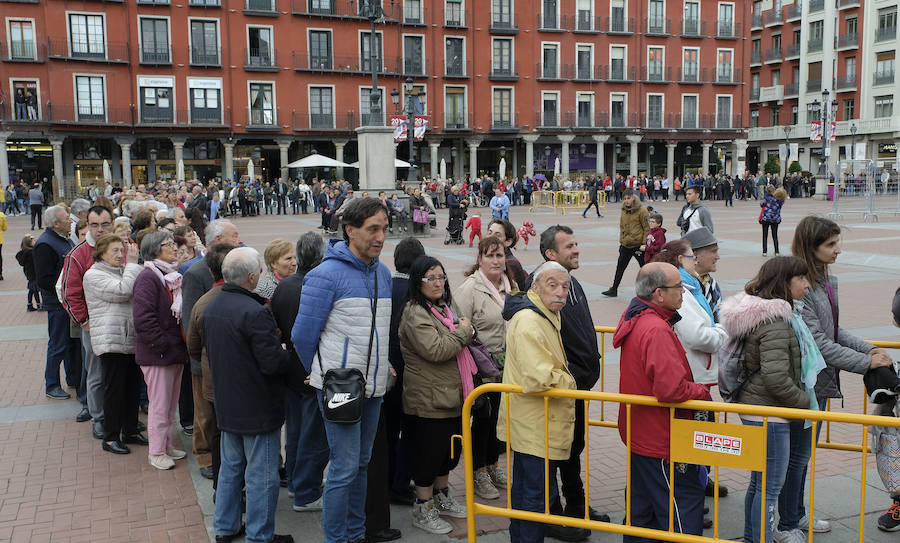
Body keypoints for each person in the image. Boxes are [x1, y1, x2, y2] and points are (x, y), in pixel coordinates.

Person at [780, 217, 894, 538]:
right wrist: (867, 363)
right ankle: (787, 522)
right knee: (795, 459)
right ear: (810, 247)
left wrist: (870, 350)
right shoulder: (799, 287)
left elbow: (835, 330)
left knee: (802, 457)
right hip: (804, 385)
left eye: (836, 242)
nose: (837, 250)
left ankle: (796, 514)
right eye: (830, 244)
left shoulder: (825, 282)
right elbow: (821, 345)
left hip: (820, 384)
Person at [291, 198, 393, 543]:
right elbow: (302, 336)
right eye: (372, 229)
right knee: (345, 467)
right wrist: (319, 372)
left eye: (383, 228)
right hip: (339, 387)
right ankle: (336, 538)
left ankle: (355, 532)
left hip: (374, 386)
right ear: (350, 230)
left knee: (361, 464)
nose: (380, 237)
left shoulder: (382, 272)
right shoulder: (324, 275)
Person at [719, 257, 821, 543]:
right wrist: (804, 401)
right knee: (769, 488)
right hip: (769, 413)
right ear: (783, 283)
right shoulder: (775, 320)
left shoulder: (767, 313)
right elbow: (776, 378)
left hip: (760, 408)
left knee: (760, 484)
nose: (807, 285)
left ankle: (754, 538)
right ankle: (759, 538)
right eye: (801, 279)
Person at [203, 247, 295, 543]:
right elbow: (271, 363)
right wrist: (285, 354)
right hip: (256, 407)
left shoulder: (213, 306)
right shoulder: (253, 311)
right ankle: (259, 534)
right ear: (252, 276)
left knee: (231, 470)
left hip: (228, 403)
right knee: (261, 476)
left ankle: (226, 527)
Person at [614, 262, 712, 541]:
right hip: (662, 437)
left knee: (641, 513)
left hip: (642, 431)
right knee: (679, 508)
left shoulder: (637, 317)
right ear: (658, 294)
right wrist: (701, 392)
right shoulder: (656, 329)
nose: (683, 292)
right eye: (678, 287)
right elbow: (671, 390)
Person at [498, 261, 579, 543]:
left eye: (565, 286)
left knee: (526, 491)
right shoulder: (530, 320)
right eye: (552, 285)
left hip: (533, 423)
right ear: (535, 287)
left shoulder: (542, 314)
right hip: (534, 424)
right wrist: (571, 382)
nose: (560, 292)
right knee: (535, 495)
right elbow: (539, 376)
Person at [398, 256, 473, 534]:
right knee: (428, 457)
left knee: (447, 454)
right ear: (418, 282)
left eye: (441, 276)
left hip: (451, 396)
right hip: (428, 399)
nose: (437, 283)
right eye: (430, 278)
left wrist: (462, 330)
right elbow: (437, 350)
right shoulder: (415, 312)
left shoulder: (443, 308)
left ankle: (442, 498)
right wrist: (465, 331)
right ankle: (424, 506)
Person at [270, 233, 330, 513]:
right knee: (313, 436)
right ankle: (306, 490)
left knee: (295, 433)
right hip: (311, 373)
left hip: (291, 370)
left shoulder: (284, 287)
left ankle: (296, 482)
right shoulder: (315, 286)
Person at [455, 237, 517, 503]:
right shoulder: (469, 289)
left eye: (500, 255)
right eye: (490, 255)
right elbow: (460, 330)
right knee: (482, 422)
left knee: (499, 422)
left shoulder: (510, 286)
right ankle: (478, 471)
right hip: (481, 368)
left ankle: (493, 465)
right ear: (479, 259)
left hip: (508, 368)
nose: (496, 261)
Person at [82, 234, 147, 455]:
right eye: (115, 251)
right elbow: (123, 291)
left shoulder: (121, 271)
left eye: (122, 250)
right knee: (114, 390)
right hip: (111, 340)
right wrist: (131, 265)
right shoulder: (94, 274)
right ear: (101, 253)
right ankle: (110, 437)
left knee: (132, 388)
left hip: (129, 337)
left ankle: (129, 430)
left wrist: (129, 267)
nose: (121, 255)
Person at [132, 231, 189, 470]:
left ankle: (166, 444)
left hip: (173, 352)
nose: (175, 248)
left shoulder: (170, 276)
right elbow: (143, 319)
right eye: (169, 245)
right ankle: (156, 451)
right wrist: (162, 345)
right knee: (159, 405)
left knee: (169, 404)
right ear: (156, 249)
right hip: (159, 355)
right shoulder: (148, 277)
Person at [185, 243, 237, 486]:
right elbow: (191, 328)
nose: (238, 241)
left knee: (220, 424)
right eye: (233, 237)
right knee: (206, 417)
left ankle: (221, 472)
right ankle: (205, 457)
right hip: (206, 364)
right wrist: (197, 361)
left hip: (224, 368)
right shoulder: (196, 276)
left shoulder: (250, 289)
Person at [62, 205, 115, 431]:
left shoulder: (122, 248)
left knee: (120, 372)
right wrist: (84, 321)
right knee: (96, 373)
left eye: (105, 224)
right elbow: (69, 293)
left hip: (121, 322)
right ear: (87, 225)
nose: (100, 229)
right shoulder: (78, 254)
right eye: (94, 225)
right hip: (94, 325)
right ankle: (99, 418)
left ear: (112, 223)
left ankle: (120, 415)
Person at [652, 239, 729, 388]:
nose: (695, 261)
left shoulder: (691, 287)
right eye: (692, 257)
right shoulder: (681, 292)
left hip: (693, 373)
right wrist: (722, 332)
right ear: (680, 259)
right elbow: (696, 336)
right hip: (691, 375)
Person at [385, 237, 426, 507]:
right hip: (411, 373)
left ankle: (386, 481)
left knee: (387, 431)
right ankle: (400, 483)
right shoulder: (416, 293)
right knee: (410, 432)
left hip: (385, 372)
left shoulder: (383, 285)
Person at [33, 206, 78, 400]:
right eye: (67, 219)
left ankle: (73, 378)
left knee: (70, 343)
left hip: (67, 302)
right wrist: (64, 289)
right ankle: (51, 384)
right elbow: (43, 279)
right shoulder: (45, 244)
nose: (71, 221)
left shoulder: (63, 239)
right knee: (58, 345)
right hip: (57, 304)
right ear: (56, 223)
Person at [602, 188, 649, 297]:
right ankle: (614, 289)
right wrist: (621, 241)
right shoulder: (624, 210)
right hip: (625, 245)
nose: (627, 201)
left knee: (645, 268)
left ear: (633, 197)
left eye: (629, 198)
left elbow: (647, 228)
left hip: (638, 245)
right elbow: (622, 226)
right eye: (625, 199)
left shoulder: (642, 211)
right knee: (620, 267)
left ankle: (650, 290)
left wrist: (644, 244)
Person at [683, 227, 723, 322]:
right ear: (695, 256)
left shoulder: (712, 284)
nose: (718, 257)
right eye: (714, 251)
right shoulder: (683, 287)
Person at [487, 218, 527, 288]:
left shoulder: (510, 264)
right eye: (490, 233)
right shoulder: (486, 258)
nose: (491, 238)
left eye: (497, 235)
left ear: (508, 241)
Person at [16, 235, 41, 311]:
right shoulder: (31, 253)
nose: (35, 242)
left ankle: (30, 305)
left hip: (29, 273)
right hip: (33, 273)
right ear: (28, 243)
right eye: (33, 241)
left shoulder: (24, 253)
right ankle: (38, 305)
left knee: (32, 289)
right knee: (34, 289)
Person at [760, 186, 786, 257]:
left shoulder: (767, 198)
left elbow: (761, 204)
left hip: (766, 218)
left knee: (765, 235)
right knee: (775, 236)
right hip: (775, 219)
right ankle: (776, 251)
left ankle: (764, 252)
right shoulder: (780, 200)